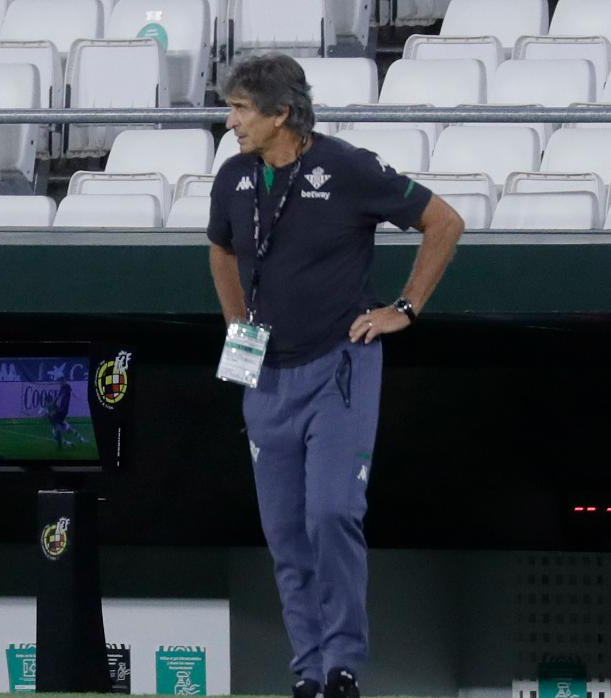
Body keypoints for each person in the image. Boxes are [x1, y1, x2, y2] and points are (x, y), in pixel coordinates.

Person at [207, 55, 464, 698]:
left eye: (241, 108)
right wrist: (237, 323)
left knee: (330, 514)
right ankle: (309, 670)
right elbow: (220, 248)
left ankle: (343, 663)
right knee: (285, 533)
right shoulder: (234, 177)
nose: (230, 121)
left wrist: (404, 309)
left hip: (338, 366)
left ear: (281, 115)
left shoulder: (346, 166)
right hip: (264, 375)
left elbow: (444, 222)